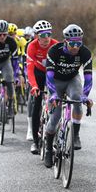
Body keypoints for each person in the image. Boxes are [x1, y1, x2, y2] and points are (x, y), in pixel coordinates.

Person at [44, 24, 93, 168]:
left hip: (72, 79)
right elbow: (49, 76)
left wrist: (85, 95)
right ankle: (48, 149)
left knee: (77, 99)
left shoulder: (85, 52)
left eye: (78, 43)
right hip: (56, 82)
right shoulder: (54, 51)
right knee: (54, 118)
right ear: (65, 41)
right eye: (72, 43)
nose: (75, 47)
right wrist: (53, 94)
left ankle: (76, 135)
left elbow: (88, 77)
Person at [26, 20, 58, 153]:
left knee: (56, 103)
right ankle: (35, 141)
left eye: (48, 34)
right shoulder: (32, 46)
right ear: (36, 36)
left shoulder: (55, 45)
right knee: (36, 104)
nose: (46, 38)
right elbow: (30, 69)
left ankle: (54, 137)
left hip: (52, 73)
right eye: (43, 35)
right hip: (38, 73)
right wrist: (34, 86)